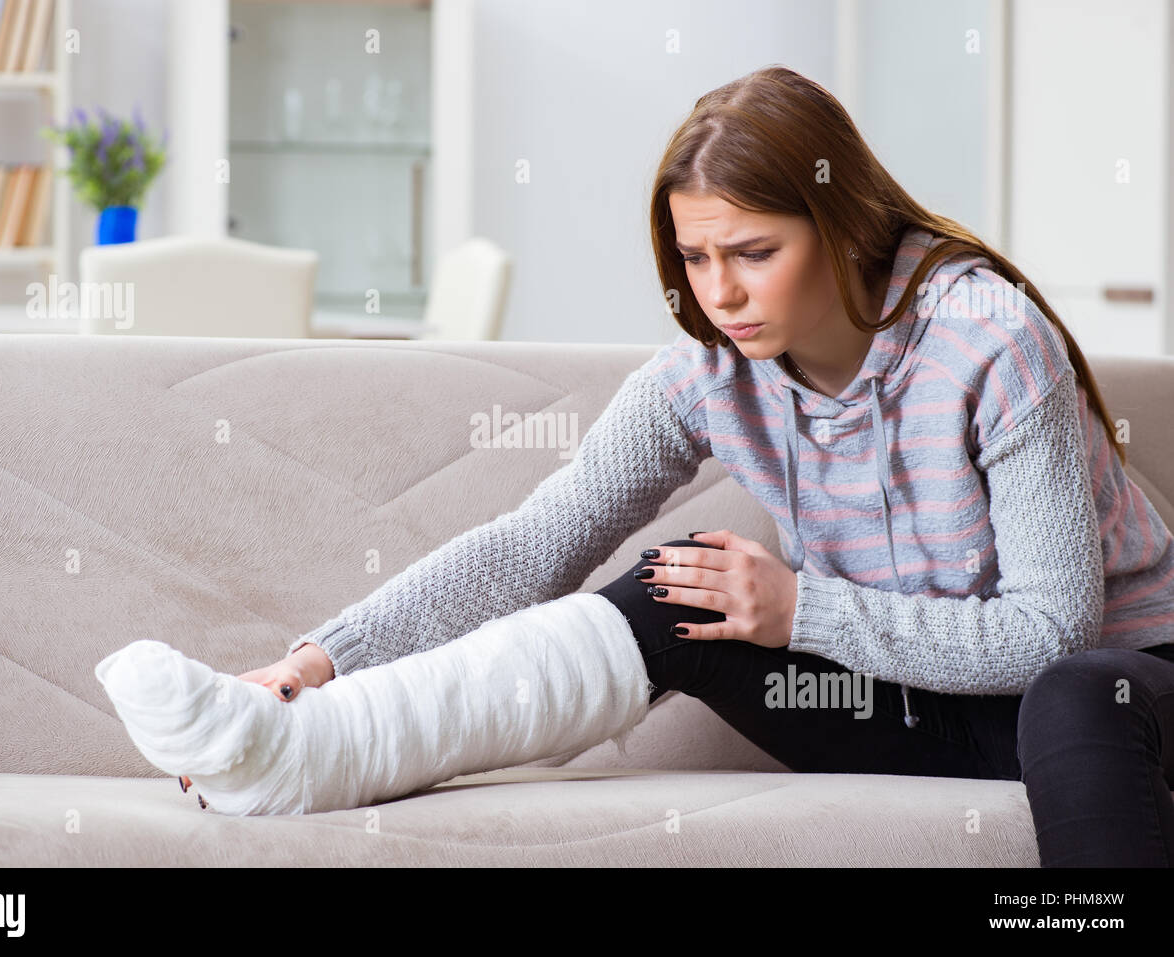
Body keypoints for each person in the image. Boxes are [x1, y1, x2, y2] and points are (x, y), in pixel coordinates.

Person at [169, 66, 1174, 864]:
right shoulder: (705, 373)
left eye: (751, 251)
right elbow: (535, 545)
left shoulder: (989, 338)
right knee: (680, 581)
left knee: (1077, 693)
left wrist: (800, 612)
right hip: (921, 716)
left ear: (841, 224)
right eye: (695, 259)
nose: (720, 292)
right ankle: (325, 749)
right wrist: (319, 663)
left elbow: (1052, 636)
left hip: (1114, 705)